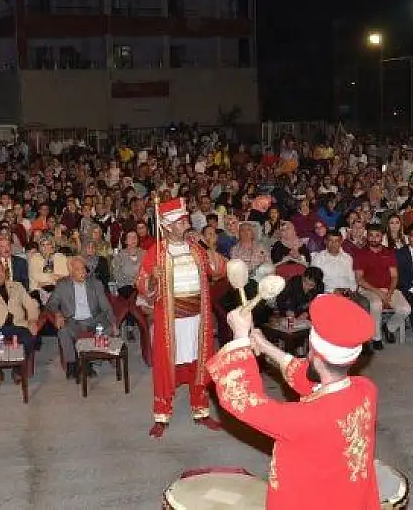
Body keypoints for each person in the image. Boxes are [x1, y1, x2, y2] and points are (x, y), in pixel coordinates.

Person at [206, 294, 380, 510]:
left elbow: (242, 399)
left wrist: (240, 337)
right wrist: (265, 346)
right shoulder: (366, 390)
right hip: (348, 498)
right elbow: (308, 377)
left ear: (314, 354)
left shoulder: (303, 420)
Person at [136, 197, 226, 438]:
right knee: (167, 367)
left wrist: (207, 246)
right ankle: (162, 415)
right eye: (179, 221)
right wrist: (153, 278)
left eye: (185, 219)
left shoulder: (196, 248)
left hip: (198, 319)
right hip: (171, 321)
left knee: (200, 364)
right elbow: (142, 285)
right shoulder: (156, 251)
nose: (185, 223)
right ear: (166, 226)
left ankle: (201, 410)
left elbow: (218, 270)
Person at [47, 256, 117, 379]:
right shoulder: (62, 285)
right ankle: (72, 364)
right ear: (71, 272)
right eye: (78, 269)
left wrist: (114, 323)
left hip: (94, 319)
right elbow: (51, 303)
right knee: (63, 331)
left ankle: (90, 362)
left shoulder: (95, 284)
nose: (83, 272)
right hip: (74, 321)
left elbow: (106, 306)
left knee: (109, 328)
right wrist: (58, 314)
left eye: (84, 269)